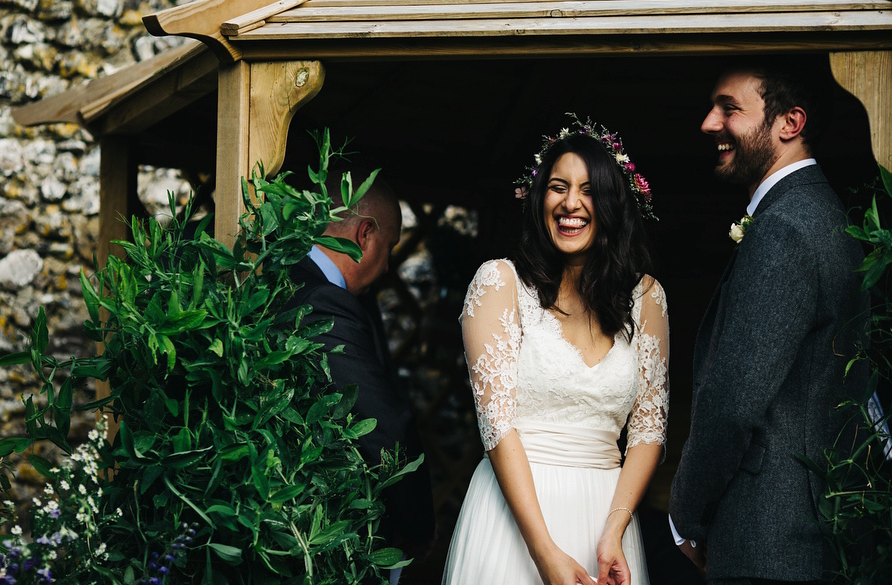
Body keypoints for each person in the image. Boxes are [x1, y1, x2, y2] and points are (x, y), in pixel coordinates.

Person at [442, 118, 669, 585]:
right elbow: (497, 426)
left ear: (613, 203)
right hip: (515, 520)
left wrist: (615, 528)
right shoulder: (500, 282)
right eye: (558, 187)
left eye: (589, 190)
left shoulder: (647, 297)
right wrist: (544, 552)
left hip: (607, 517)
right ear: (538, 197)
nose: (571, 204)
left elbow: (649, 428)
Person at [668, 63, 867, 584]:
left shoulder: (783, 228)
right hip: (804, 530)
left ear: (789, 122)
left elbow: (733, 401)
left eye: (729, 109)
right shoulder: (820, 213)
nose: (710, 124)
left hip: (768, 539)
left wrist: (686, 514)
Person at [286, 171, 436, 582]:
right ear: (365, 234)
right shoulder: (320, 301)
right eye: (388, 249)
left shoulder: (285, 279)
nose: (388, 267)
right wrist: (418, 528)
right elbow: (383, 427)